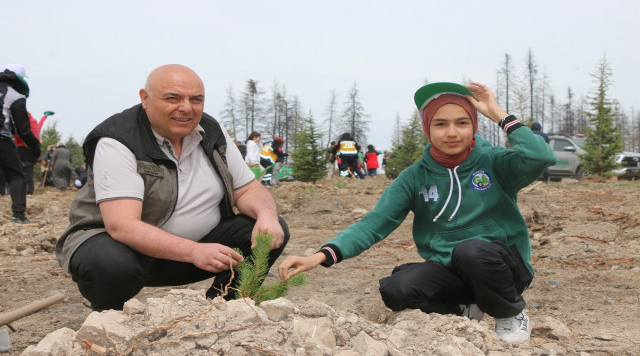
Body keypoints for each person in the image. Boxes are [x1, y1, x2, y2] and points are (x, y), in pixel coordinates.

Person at [279, 82, 556, 343]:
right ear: (427, 128)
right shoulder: (415, 178)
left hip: (502, 269)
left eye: (462, 123)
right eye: (440, 124)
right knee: (396, 289)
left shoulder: (495, 163)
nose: (452, 132)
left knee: (471, 251)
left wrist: (498, 113)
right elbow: (375, 223)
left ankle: (510, 314)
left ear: (474, 126)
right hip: (452, 272)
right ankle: (464, 308)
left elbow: (540, 157)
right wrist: (320, 256)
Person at [56, 64, 289, 311]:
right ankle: (109, 318)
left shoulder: (211, 133)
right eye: (173, 98)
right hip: (134, 255)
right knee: (108, 262)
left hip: (199, 253)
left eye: (196, 99)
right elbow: (122, 225)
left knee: (268, 229)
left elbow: (248, 189)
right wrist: (193, 251)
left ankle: (225, 310)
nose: (186, 108)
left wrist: (267, 215)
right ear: (145, 99)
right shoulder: (118, 140)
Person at [0, 63, 41, 223]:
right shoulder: (16, 96)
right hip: (2, 138)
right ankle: (18, 215)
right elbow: (23, 130)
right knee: (16, 175)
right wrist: (35, 148)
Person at [15, 111, 49, 194]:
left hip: (25, 150)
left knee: (25, 173)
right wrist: (45, 116)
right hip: (28, 149)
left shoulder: (25, 123)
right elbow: (40, 124)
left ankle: (28, 191)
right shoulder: (33, 123)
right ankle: (28, 191)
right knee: (27, 174)